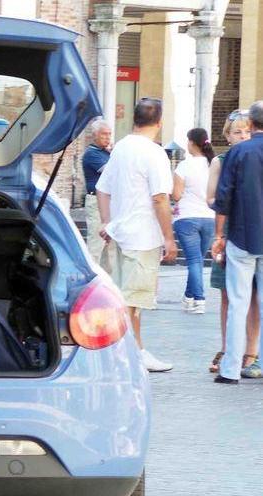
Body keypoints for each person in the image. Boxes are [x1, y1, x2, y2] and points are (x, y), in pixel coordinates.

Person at [97, 98, 177, 373]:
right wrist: (169, 237)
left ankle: (132, 351)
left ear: (135, 119)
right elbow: (160, 198)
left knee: (125, 299)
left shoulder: (120, 147)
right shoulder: (154, 153)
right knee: (131, 302)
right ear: (159, 122)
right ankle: (131, 355)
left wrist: (107, 222)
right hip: (142, 237)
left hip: (121, 234)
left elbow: (102, 188)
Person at [210, 100, 263, 384]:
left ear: (251, 124)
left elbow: (224, 196)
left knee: (238, 303)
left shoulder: (238, 152)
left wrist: (219, 235)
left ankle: (230, 369)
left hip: (242, 235)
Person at [171, 127, 215, 314]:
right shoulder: (214, 164)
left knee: (194, 260)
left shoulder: (184, 166)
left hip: (187, 217)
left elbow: (176, 194)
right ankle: (189, 297)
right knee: (197, 260)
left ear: (191, 142)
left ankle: (199, 299)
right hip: (210, 218)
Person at [82, 118, 112, 263]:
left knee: (110, 249)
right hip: (96, 202)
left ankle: (108, 277)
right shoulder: (91, 154)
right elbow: (111, 172)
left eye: (109, 134)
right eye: (104, 134)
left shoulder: (106, 153)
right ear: (95, 135)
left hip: (108, 201)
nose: (108, 137)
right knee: (96, 244)